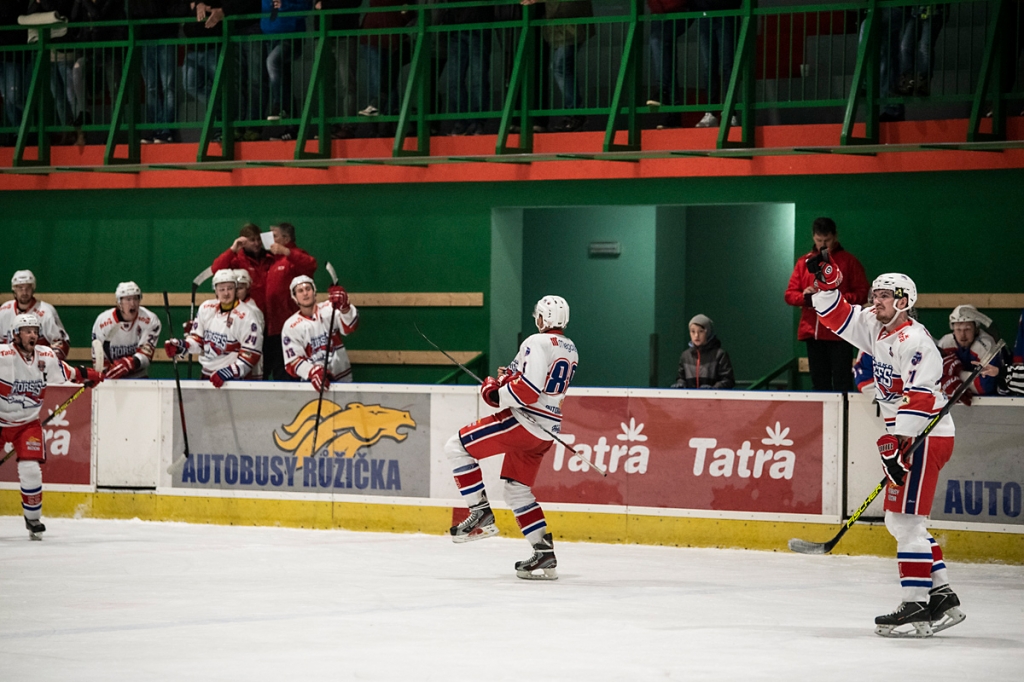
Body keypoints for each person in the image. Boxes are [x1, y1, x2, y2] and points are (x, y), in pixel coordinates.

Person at [808, 254, 964, 638]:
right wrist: (828, 285)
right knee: (907, 523)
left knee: (904, 521)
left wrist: (897, 442)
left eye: (884, 296)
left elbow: (922, 395)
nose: (875, 301)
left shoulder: (915, 341)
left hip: (925, 436)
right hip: (907, 439)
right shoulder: (875, 328)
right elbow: (838, 318)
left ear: (904, 301)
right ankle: (942, 598)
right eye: (874, 294)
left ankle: (914, 607)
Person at [446, 295, 577, 580]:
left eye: (538, 315)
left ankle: (480, 514)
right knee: (516, 489)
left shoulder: (536, 342)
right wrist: (507, 378)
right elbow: (534, 382)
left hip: (524, 423)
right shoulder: (570, 348)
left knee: (457, 446)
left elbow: (528, 392)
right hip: (547, 431)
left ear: (544, 318)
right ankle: (543, 554)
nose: (536, 320)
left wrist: (495, 393)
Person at [0, 313, 102, 539]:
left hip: (27, 423)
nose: (33, 335)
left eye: (35, 331)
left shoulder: (45, 356)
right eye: (27, 331)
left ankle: (33, 518)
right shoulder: (3, 356)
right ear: (16, 335)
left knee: (30, 470)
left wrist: (89, 375)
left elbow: (65, 373)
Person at [784, 217, 868, 392]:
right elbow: (790, 295)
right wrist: (806, 298)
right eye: (819, 240)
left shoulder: (849, 262)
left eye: (827, 240)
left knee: (842, 382)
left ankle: (845, 419)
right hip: (813, 333)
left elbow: (862, 293)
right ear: (813, 237)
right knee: (819, 384)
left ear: (835, 236)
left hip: (842, 331)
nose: (823, 245)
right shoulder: (803, 262)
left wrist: (835, 299)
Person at [164, 269, 263, 385]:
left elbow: (251, 353)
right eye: (222, 289)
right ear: (215, 290)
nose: (226, 293)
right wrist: (183, 346)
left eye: (230, 288)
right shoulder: (206, 308)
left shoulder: (247, 315)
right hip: (206, 374)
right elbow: (198, 340)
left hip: (234, 378)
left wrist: (230, 371)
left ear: (235, 289)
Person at [521, 0, 593, 133]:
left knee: (561, 66)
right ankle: (574, 113)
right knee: (562, 67)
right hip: (563, 27)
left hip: (570, 26)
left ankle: (574, 113)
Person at [281, 275, 358, 390]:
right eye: (300, 291)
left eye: (308, 289)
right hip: (313, 384)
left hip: (343, 380)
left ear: (314, 292)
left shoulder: (331, 308)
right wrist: (312, 371)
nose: (305, 293)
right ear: (294, 297)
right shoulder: (290, 326)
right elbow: (292, 362)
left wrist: (345, 308)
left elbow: (350, 327)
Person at [129, 0, 184, 144]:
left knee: (168, 86)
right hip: (145, 38)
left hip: (166, 36)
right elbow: (134, 10)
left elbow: (165, 9)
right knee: (151, 87)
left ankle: (166, 130)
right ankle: (156, 130)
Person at [441, 0, 495, 136]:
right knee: (454, 80)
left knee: (478, 79)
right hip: (456, 27)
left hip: (478, 24)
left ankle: (476, 122)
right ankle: (462, 122)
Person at [91, 282, 163, 379]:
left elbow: (146, 355)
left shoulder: (150, 320)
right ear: (119, 302)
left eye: (136, 298)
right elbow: (98, 358)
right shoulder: (103, 322)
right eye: (128, 299)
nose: (133, 303)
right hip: (111, 380)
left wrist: (129, 363)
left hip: (138, 378)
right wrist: (106, 372)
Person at [937, 304, 1002, 403]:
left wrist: (956, 374)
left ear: (976, 329)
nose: (962, 335)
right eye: (958, 330)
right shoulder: (945, 343)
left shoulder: (986, 345)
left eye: (967, 329)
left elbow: (984, 387)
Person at [0, 270, 70, 361]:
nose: (24, 292)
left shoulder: (46, 312)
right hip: (10, 369)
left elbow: (61, 344)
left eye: (28, 288)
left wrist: (47, 363)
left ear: (33, 288)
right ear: (14, 289)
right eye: (20, 288)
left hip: (38, 369)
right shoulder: (4, 310)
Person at [691, 0, 740, 128]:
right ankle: (711, 112)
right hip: (706, 15)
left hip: (727, 14)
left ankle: (730, 112)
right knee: (709, 67)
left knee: (728, 66)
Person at [671, 313, 734, 389]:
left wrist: (714, 389)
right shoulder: (685, 356)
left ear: (708, 332)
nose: (696, 335)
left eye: (701, 331)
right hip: (690, 399)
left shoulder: (719, 355)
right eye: (693, 331)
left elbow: (728, 380)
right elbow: (681, 378)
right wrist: (680, 384)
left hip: (713, 399)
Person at [234, 269, 266, 380]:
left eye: (241, 288)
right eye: (235, 288)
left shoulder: (253, 311)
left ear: (248, 289)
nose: (237, 292)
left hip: (248, 365)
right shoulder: (226, 308)